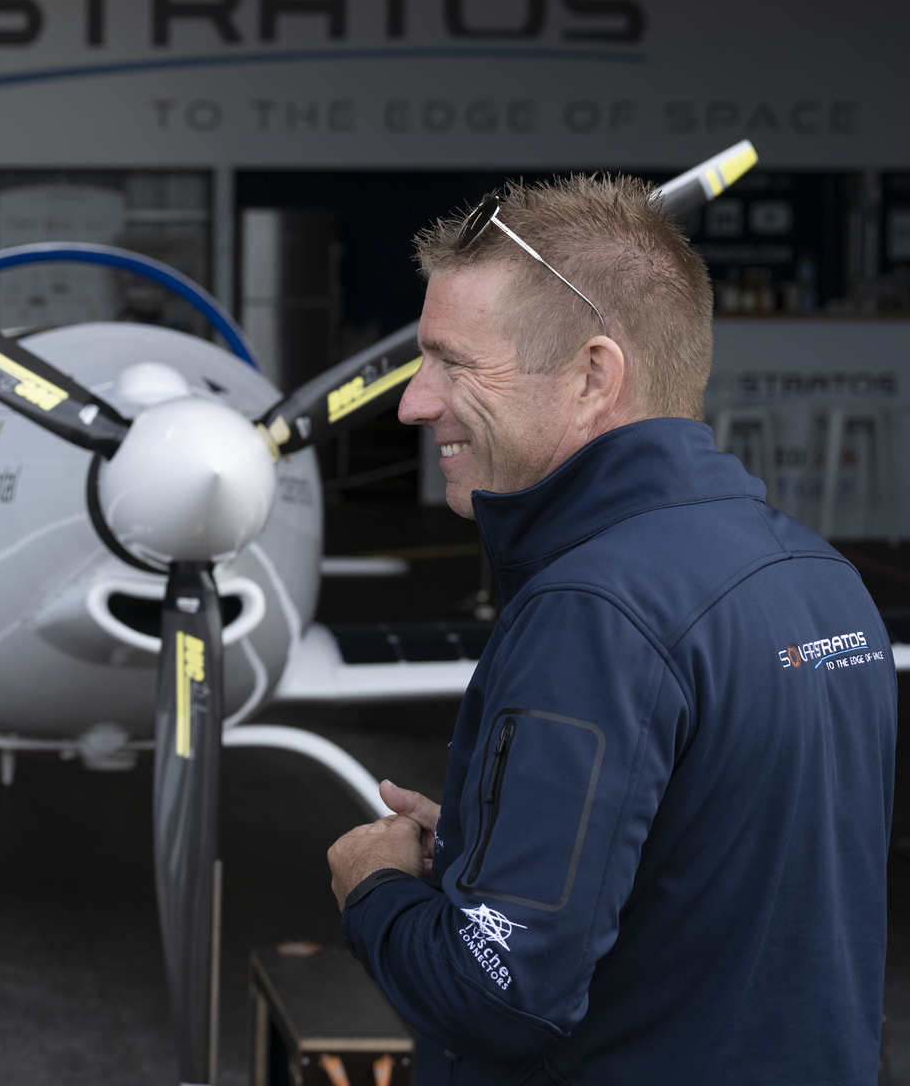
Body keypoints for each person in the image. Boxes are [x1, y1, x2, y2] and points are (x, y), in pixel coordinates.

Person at [326, 175, 893, 1084]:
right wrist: (490, 846)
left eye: (454, 362)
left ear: (594, 375)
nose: (413, 403)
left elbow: (499, 994)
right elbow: (717, 880)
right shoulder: (819, 576)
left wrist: (378, 888)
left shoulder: (595, 612)